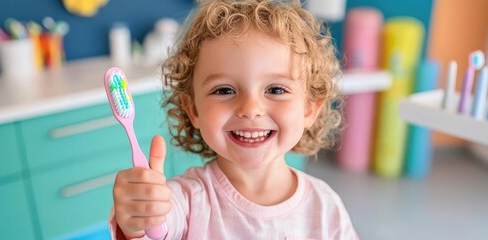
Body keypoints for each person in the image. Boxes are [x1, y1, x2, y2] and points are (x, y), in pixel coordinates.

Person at [110, 0, 359, 239]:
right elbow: (156, 227)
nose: (250, 109)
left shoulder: (326, 208)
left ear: (309, 108)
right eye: (224, 90)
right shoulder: (184, 202)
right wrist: (141, 217)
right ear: (193, 110)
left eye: (276, 90)